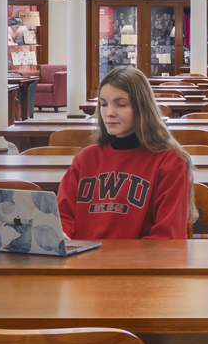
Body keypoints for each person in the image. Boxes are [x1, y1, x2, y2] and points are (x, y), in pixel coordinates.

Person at [55, 66, 192, 240]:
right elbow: (63, 214)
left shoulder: (169, 162)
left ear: (142, 108)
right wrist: (61, 233)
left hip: (137, 264)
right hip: (82, 262)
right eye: (104, 104)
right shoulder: (85, 158)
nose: (109, 113)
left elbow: (167, 236)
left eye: (121, 105)